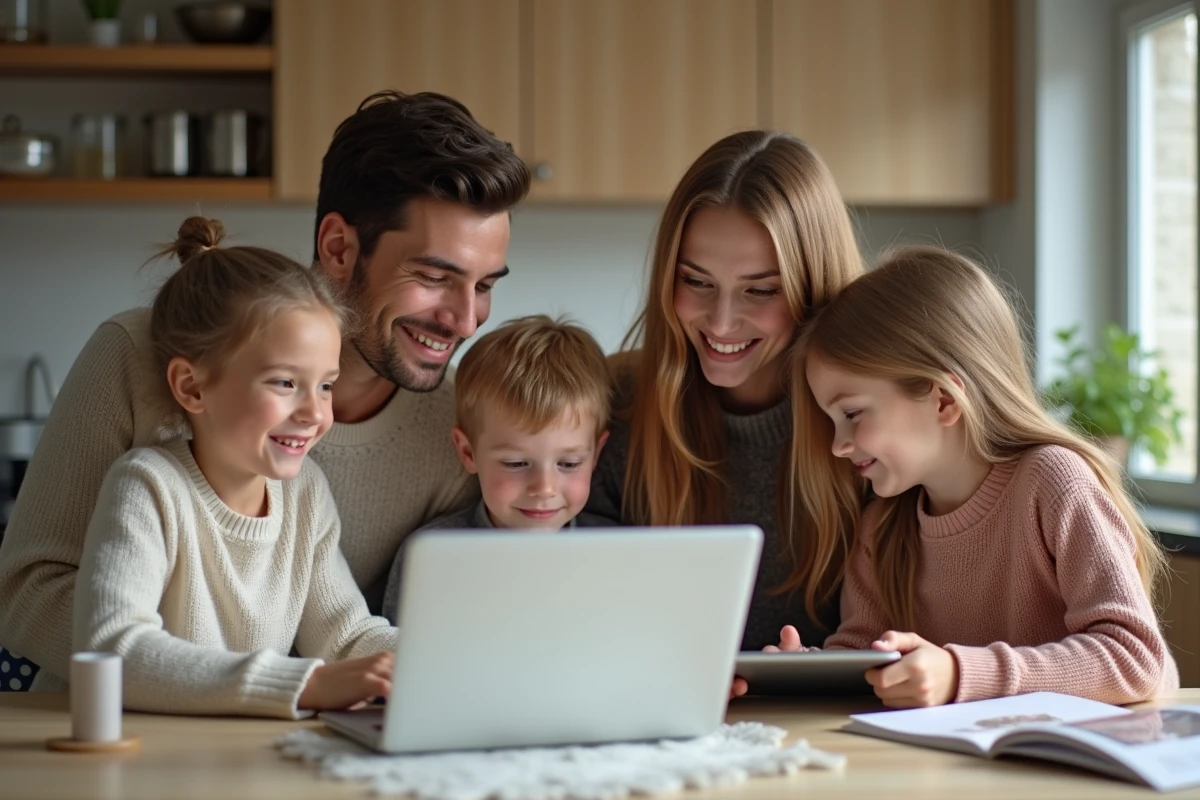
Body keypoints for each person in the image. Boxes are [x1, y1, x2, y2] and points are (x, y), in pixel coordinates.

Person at [0, 90, 531, 690]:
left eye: (485, 286)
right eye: (434, 277)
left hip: (300, 725)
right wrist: (243, 675)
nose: (465, 320)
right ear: (339, 247)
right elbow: (25, 594)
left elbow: (348, 631)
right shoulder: (146, 356)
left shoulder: (459, 427)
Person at [768, 245, 1176, 708]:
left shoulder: (1053, 482)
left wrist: (961, 672)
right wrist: (806, 671)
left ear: (943, 399)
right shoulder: (881, 529)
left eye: (852, 414)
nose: (838, 445)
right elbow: (868, 658)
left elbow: (1137, 657)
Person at [74, 217, 397, 719]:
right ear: (192, 387)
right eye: (285, 382)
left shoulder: (306, 492)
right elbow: (115, 650)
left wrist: (427, 658)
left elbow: (346, 634)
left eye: (325, 385)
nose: (315, 413)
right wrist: (305, 685)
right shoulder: (147, 487)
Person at [585, 130, 865, 651]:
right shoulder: (612, 402)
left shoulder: (872, 420)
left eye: (760, 290)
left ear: (814, 286)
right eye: (696, 281)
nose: (721, 321)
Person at [381, 315, 613, 622]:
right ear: (468, 452)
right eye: (516, 463)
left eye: (569, 464)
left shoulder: (618, 551)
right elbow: (397, 646)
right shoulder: (432, 556)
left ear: (596, 453)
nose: (544, 488)